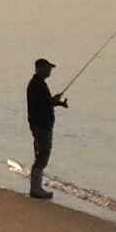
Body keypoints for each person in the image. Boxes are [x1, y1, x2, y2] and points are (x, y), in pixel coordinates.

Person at [26, 57, 68, 199]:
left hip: (40, 125)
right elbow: (42, 105)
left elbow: (44, 104)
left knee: (41, 155)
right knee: (42, 156)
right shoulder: (37, 85)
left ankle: (37, 187)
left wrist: (56, 103)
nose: (50, 71)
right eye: (48, 68)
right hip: (41, 126)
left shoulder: (38, 84)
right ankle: (36, 189)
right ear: (40, 68)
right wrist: (53, 101)